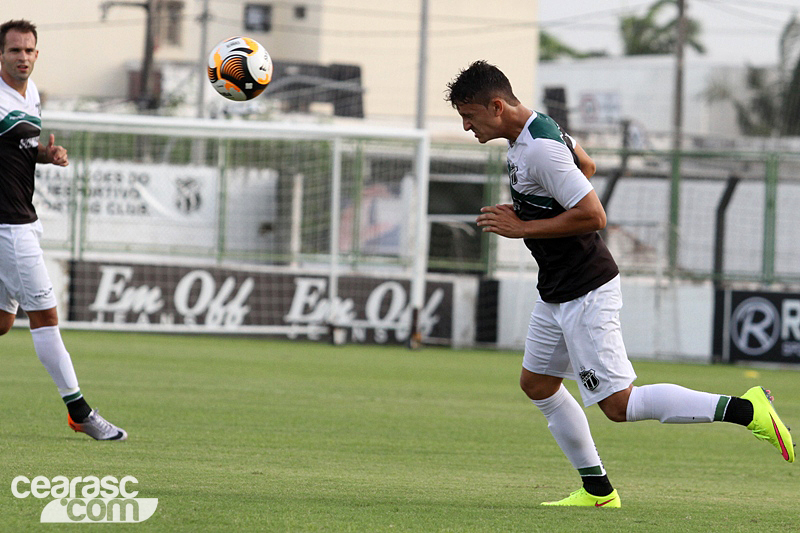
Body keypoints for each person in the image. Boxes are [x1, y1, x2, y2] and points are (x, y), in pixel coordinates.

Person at [446, 60, 793, 508]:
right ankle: (598, 491)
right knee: (537, 383)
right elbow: (585, 166)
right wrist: (538, 209)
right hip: (557, 289)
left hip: (585, 289)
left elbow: (595, 216)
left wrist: (524, 228)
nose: (466, 126)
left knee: (618, 405)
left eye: (469, 115)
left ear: (496, 106)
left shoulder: (540, 149)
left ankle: (748, 410)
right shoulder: (539, 130)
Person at [0, 19, 127, 441]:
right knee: (46, 317)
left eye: (29, 51)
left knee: (2, 321)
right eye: (15, 50)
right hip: (8, 226)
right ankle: (79, 410)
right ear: (0, 54)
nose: (22, 58)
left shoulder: (30, 92)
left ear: (36, 54)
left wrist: (46, 154)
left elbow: (17, 146)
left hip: (21, 218)